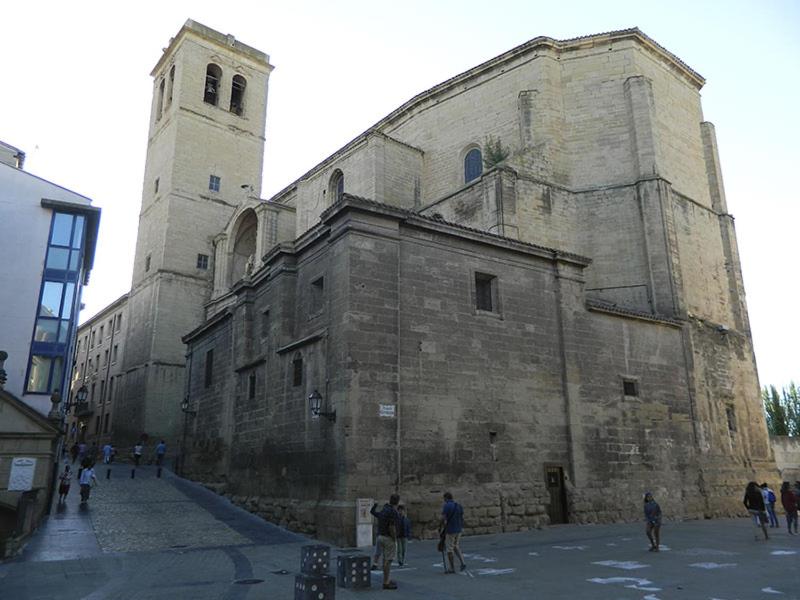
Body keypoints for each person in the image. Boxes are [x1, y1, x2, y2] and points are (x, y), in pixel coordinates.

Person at [373, 494, 400, 590]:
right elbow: (392, 527)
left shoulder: (384, 509)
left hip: (380, 536)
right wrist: (395, 538)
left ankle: (387, 579)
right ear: (397, 501)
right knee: (388, 561)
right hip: (388, 537)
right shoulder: (393, 511)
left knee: (385, 559)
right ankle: (386, 582)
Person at [440, 492, 466, 573]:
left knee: (449, 549)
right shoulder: (459, 506)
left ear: (446, 498)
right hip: (459, 529)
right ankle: (462, 562)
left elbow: (443, 518)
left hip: (450, 530)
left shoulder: (447, 506)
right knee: (456, 546)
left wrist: (441, 526)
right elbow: (462, 517)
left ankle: (451, 567)